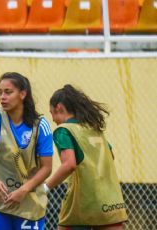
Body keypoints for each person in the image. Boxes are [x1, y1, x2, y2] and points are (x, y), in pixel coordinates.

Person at [0, 72, 54, 230]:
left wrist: (23, 190)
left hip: (30, 204)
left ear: (23, 94)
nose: (2, 97)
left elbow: (47, 167)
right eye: (0, 92)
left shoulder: (40, 125)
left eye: (8, 92)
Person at [45, 84, 128, 230]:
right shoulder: (92, 128)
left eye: (51, 113)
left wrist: (45, 187)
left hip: (82, 203)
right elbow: (111, 156)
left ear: (58, 108)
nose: (52, 119)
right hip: (110, 201)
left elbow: (69, 165)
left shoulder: (63, 130)